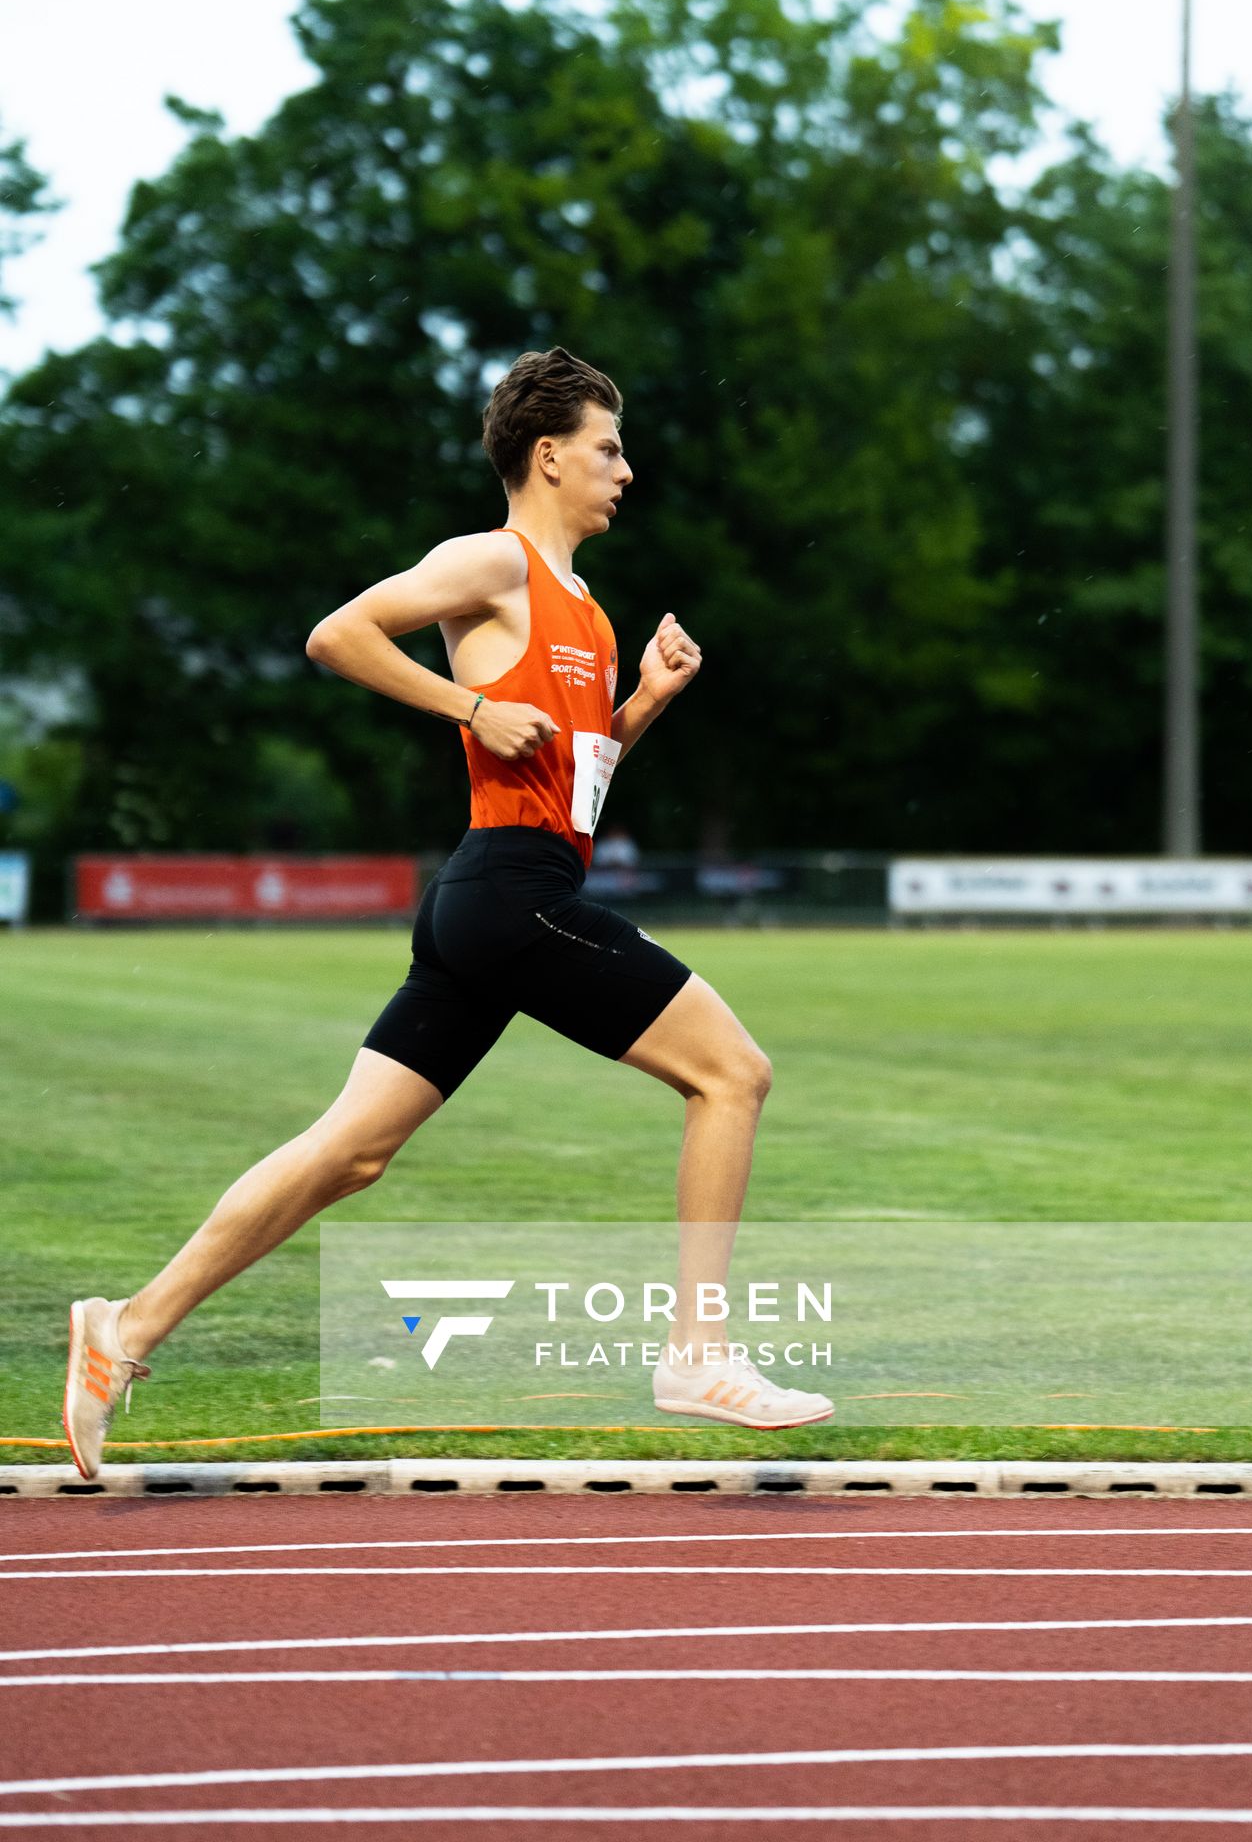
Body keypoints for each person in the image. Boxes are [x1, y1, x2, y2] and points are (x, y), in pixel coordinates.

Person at [62, 346, 833, 1479]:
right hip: (507, 895)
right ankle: (697, 1353)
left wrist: (640, 710)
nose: (625, 471)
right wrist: (466, 703)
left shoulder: (586, 610)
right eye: (609, 449)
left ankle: (124, 1328)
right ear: (547, 454)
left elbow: (571, 783)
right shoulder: (494, 562)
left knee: (352, 1152)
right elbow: (340, 635)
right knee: (732, 1073)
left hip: (509, 893)